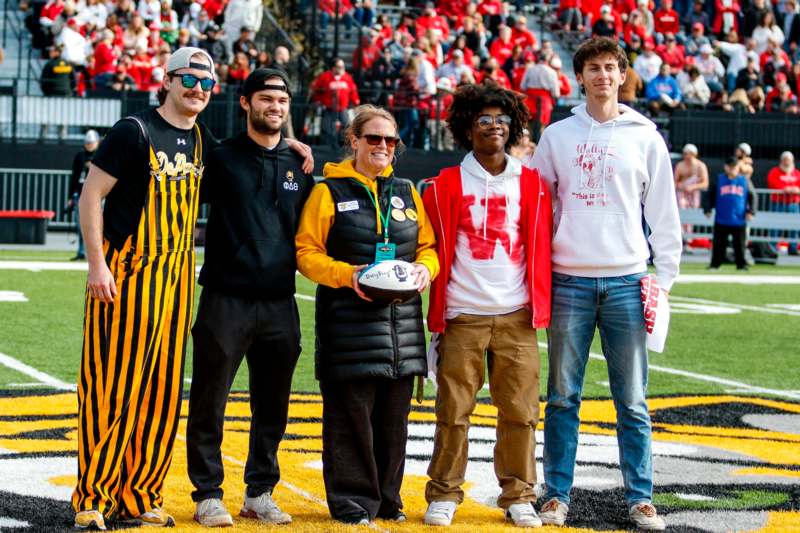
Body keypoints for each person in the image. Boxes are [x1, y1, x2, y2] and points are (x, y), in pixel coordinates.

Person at [532, 37, 681, 531]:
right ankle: (555, 495)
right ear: (580, 77)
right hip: (569, 278)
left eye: (610, 68)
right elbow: (538, 209)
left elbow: (663, 211)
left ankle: (641, 498)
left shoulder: (646, 136)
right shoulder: (557, 135)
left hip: (626, 280)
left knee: (633, 400)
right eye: (592, 68)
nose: (602, 76)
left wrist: (665, 278)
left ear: (622, 76)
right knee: (562, 396)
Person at [72, 47, 219, 531]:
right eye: (189, 79)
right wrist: (97, 265)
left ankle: (140, 494)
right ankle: (94, 496)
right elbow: (91, 195)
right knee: (111, 388)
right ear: (167, 80)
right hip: (128, 273)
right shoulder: (132, 131)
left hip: (176, 278)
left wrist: (296, 150)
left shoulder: (200, 137)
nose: (198, 89)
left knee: (160, 391)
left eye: (207, 83)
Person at [295, 104, 439, 525]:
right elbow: (306, 253)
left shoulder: (408, 191)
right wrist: (349, 275)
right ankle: (353, 503)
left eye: (390, 140)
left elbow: (429, 249)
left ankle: (388, 499)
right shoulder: (328, 192)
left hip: (403, 329)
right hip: (349, 326)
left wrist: (422, 271)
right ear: (353, 140)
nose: (382, 146)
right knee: (351, 420)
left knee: (394, 422)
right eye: (373, 138)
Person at [184, 69, 313, 528]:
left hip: (280, 302)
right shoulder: (219, 158)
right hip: (225, 299)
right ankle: (207, 494)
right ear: (245, 103)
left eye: (282, 99)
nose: (274, 106)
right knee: (209, 400)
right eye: (265, 98)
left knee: (273, 405)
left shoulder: (301, 166)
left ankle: (260, 492)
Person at [421, 82, 553, 529]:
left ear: (512, 125)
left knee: (520, 412)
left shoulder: (533, 183)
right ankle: (443, 493)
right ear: (467, 127)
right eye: (484, 119)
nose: (494, 126)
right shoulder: (444, 184)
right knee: (452, 411)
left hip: (517, 314)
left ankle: (518, 493)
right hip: (463, 314)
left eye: (501, 119)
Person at [704, 156, 756, 270]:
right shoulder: (719, 179)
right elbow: (709, 195)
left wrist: (751, 211)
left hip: (739, 218)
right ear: (726, 167)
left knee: (740, 244)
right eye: (730, 167)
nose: (732, 169)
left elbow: (753, 196)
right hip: (722, 217)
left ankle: (741, 264)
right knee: (718, 244)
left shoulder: (745, 181)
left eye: (734, 167)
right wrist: (707, 209)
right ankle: (715, 264)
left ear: (738, 167)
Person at [309, 58, 360, 146]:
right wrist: (318, 100)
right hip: (329, 108)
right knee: (327, 128)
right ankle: (328, 147)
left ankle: (343, 146)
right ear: (333, 68)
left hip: (343, 109)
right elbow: (315, 88)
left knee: (347, 127)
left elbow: (353, 90)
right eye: (339, 67)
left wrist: (356, 102)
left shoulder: (347, 77)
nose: (342, 69)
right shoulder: (325, 76)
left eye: (343, 67)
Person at [68, 130, 100, 261]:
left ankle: (97, 253)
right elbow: (74, 177)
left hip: (97, 196)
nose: (89, 145)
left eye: (91, 143)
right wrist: (70, 196)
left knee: (97, 226)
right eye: (87, 143)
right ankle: (81, 251)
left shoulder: (101, 155)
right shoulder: (80, 156)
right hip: (80, 195)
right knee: (81, 224)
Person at [766, 151, 800, 255]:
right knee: (775, 226)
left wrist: (796, 189)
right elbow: (772, 183)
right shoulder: (774, 172)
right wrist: (785, 189)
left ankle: (793, 248)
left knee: (794, 226)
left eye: (789, 160)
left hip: (793, 204)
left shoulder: (797, 173)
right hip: (778, 203)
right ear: (781, 160)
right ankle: (772, 248)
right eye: (785, 160)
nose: (787, 162)